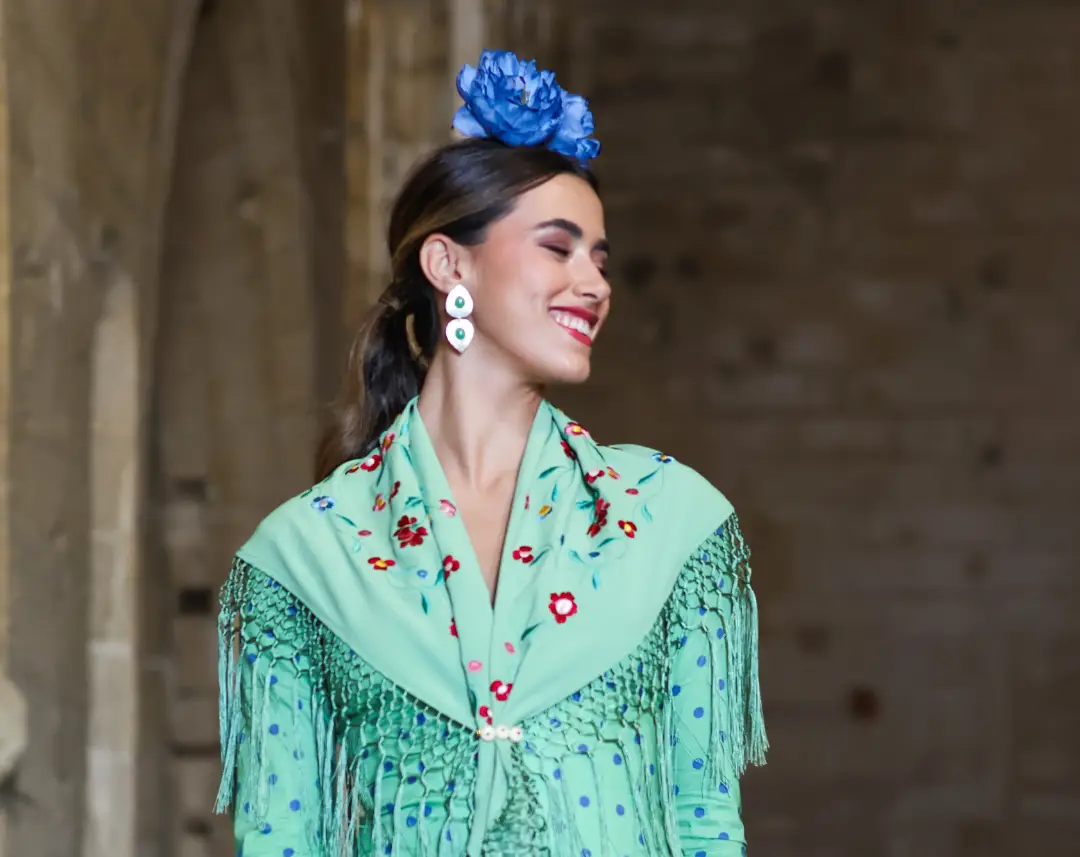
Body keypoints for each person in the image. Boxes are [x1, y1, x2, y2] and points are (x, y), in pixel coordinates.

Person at [214, 50, 767, 857]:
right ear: (449, 263)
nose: (595, 284)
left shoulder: (671, 522)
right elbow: (280, 840)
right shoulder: (304, 555)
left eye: (600, 259)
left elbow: (706, 822)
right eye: (558, 247)